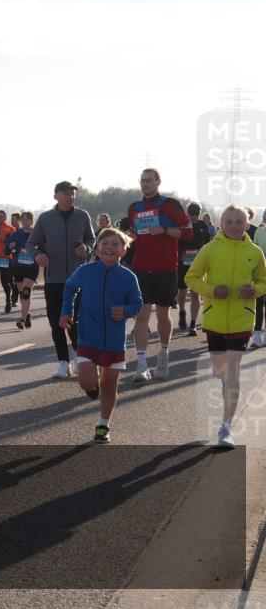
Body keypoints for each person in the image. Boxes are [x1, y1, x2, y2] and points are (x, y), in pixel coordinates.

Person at [184, 206, 266, 447]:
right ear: (221, 224)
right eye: (228, 221)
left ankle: (226, 427)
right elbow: (191, 277)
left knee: (232, 373)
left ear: (247, 225)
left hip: (242, 318)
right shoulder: (210, 249)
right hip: (214, 319)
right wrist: (211, 291)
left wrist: (255, 290)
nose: (233, 225)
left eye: (239, 221)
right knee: (221, 372)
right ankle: (225, 390)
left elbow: (263, 281)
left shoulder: (255, 252)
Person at [60, 228, 143, 443]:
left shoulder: (128, 277)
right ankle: (92, 387)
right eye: (104, 243)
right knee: (86, 381)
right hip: (88, 335)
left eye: (115, 244)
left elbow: (137, 303)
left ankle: (103, 424)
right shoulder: (85, 271)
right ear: (97, 248)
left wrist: (125, 310)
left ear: (123, 251)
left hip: (114, 340)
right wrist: (66, 312)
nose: (109, 248)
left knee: (110, 385)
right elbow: (69, 288)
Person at [125, 169, 193, 382]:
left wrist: (164, 230)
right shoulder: (134, 208)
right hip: (142, 268)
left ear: (158, 182)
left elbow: (188, 232)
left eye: (149, 181)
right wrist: (130, 237)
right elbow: (133, 234)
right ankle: (142, 365)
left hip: (166, 268)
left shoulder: (169, 205)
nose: (145, 184)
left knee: (163, 316)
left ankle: (163, 353)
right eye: (142, 181)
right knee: (142, 315)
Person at [26, 181, 95, 379]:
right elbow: (32, 243)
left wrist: (87, 248)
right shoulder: (46, 218)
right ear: (56, 196)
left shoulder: (82, 216)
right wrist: (37, 255)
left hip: (78, 278)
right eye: (66, 193)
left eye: (73, 194)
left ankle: (80, 359)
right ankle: (63, 363)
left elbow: (92, 239)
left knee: (76, 322)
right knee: (57, 322)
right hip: (53, 279)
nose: (70, 197)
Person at [176, 202, 212, 338]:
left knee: (195, 294)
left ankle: (192, 324)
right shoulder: (183, 225)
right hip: (183, 263)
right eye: (192, 215)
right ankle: (182, 311)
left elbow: (208, 245)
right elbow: (177, 242)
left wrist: (203, 257)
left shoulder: (203, 226)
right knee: (181, 294)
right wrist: (181, 254)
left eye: (195, 215)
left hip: (197, 264)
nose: (193, 218)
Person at [6, 211, 39, 330]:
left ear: (32, 221)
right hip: (18, 267)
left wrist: (39, 252)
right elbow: (6, 249)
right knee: (22, 292)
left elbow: (45, 247)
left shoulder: (37, 234)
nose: (25, 221)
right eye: (23, 219)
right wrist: (10, 246)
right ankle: (27, 314)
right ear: (21, 221)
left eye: (28, 219)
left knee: (26, 292)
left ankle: (23, 319)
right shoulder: (16, 234)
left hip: (32, 267)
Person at [255, 210, 266, 348]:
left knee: (259, 303)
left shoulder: (259, 231)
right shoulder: (259, 230)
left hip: (260, 270)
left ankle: (257, 336)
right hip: (261, 270)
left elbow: (254, 250)